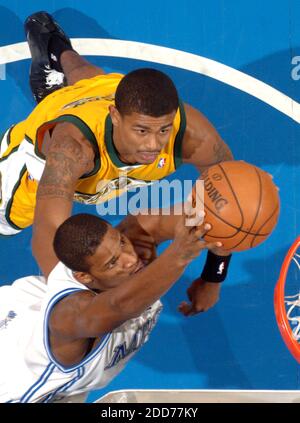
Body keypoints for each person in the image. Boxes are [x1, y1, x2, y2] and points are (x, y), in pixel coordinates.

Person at [0, 11, 233, 245]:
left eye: (163, 130)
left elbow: (230, 188)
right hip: (37, 167)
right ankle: (54, 72)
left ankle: (55, 45)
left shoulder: (191, 135)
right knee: (9, 220)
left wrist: (221, 230)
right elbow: (49, 229)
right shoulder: (71, 150)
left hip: (95, 100)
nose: (153, 145)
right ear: (116, 116)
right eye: (142, 131)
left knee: (93, 81)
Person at [0, 206, 223, 403]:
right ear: (84, 277)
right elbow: (119, 306)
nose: (131, 259)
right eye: (113, 262)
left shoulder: (134, 241)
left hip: (16, 319)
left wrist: (213, 276)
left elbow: (214, 215)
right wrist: (178, 256)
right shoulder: (70, 317)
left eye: (122, 243)